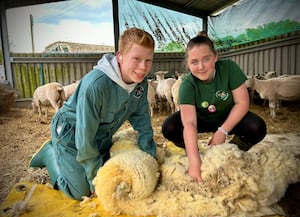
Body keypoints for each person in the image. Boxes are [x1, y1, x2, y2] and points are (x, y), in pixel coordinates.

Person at [30, 27, 156, 200]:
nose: (143, 67)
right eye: (137, 59)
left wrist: (151, 159)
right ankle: (49, 153)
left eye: (148, 60)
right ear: (120, 56)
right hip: (71, 131)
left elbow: (142, 123)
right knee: (81, 191)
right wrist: (95, 180)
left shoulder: (141, 85)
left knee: (116, 177)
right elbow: (84, 136)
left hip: (100, 134)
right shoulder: (96, 85)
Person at [162, 31, 266, 183]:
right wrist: (194, 161)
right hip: (201, 119)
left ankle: (230, 153)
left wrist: (222, 131)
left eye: (206, 59)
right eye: (194, 62)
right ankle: (192, 151)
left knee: (257, 127)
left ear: (215, 57)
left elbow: (242, 103)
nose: (201, 67)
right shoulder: (187, 84)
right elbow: (189, 124)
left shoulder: (229, 69)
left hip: (228, 116)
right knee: (169, 127)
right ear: (188, 64)